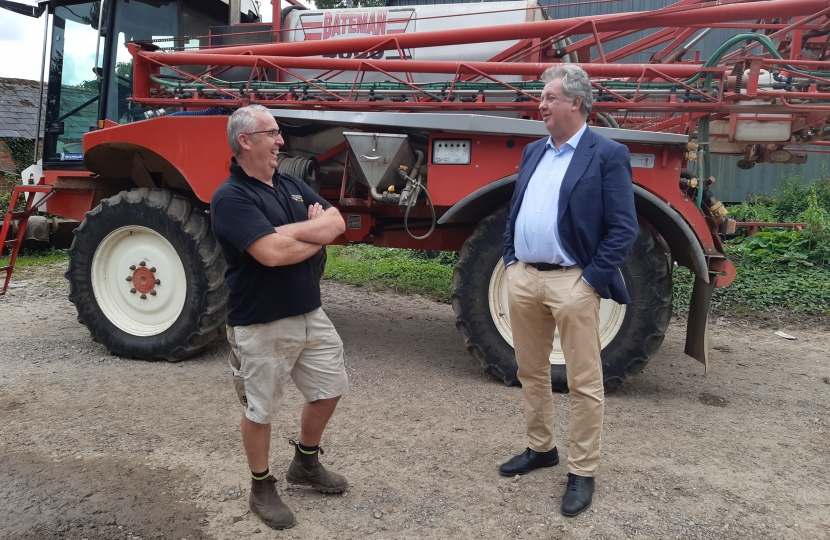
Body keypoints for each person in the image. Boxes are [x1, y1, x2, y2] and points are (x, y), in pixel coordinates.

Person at [500, 65, 639, 517]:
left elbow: (623, 229)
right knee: (531, 371)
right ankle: (541, 449)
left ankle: (582, 471)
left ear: (575, 103)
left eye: (548, 98)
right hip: (524, 278)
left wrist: (590, 282)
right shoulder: (534, 151)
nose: (540, 105)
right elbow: (515, 208)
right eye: (542, 98)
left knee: (583, 382)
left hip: (572, 282)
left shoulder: (607, 154)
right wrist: (510, 259)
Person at [211, 104, 348, 530]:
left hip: (310, 312)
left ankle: (305, 463)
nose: (281, 141)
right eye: (272, 133)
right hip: (260, 321)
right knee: (261, 409)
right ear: (245, 141)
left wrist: (288, 234)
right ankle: (261, 485)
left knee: (329, 389)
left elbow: (338, 223)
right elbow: (269, 255)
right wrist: (312, 236)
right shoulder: (230, 198)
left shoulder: (289, 183)